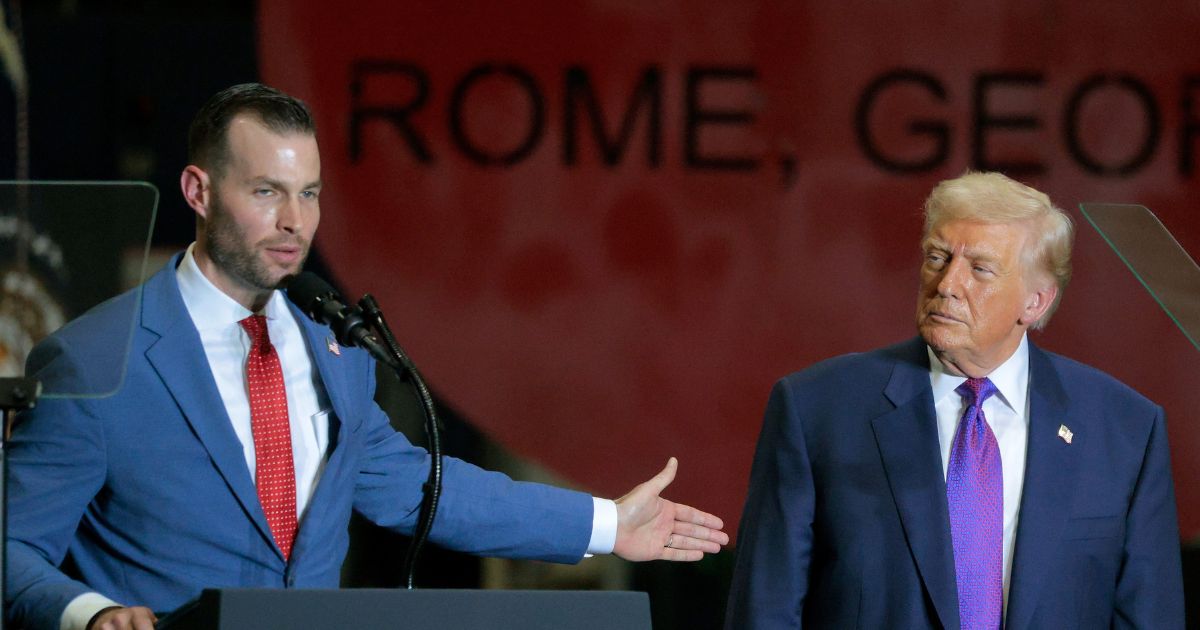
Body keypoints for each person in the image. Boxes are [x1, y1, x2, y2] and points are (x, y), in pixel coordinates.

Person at [5, 83, 728, 630]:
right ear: (199, 191)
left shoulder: (334, 346)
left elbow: (418, 488)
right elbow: (11, 550)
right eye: (267, 192)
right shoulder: (94, 360)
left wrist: (607, 525)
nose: (295, 222)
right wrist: (91, 614)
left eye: (309, 194)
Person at [725, 172, 1184, 629]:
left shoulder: (1125, 430)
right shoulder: (817, 410)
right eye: (938, 258)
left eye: (980, 269)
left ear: (1035, 303)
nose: (947, 284)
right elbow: (764, 610)